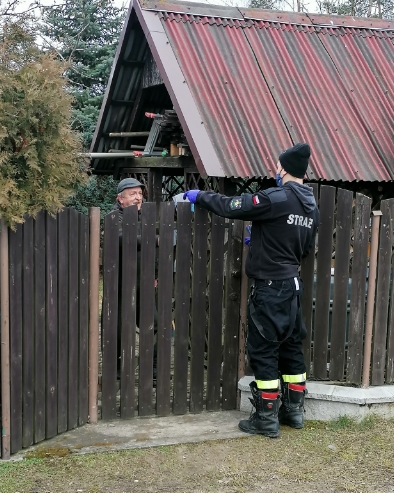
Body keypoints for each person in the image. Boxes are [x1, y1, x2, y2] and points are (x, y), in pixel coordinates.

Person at [183, 143, 319, 438]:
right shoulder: (311, 206)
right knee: (291, 348)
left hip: (270, 287)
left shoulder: (275, 197)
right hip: (292, 286)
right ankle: (294, 412)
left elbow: (232, 206)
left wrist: (200, 196)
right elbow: (304, 249)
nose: (276, 170)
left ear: (284, 168)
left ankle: (266, 418)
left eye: (277, 165)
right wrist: (260, 241)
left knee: (264, 349)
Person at [107, 178, 157, 378]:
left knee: (153, 324)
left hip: (143, 280)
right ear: (120, 199)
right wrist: (151, 240)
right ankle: (117, 370)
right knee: (119, 327)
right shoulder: (113, 217)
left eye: (140, 193)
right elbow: (121, 238)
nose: (138, 197)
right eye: (133, 194)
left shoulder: (146, 216)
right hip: (119, 283)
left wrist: (155, 273)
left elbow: (153, 251)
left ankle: (153, 368)